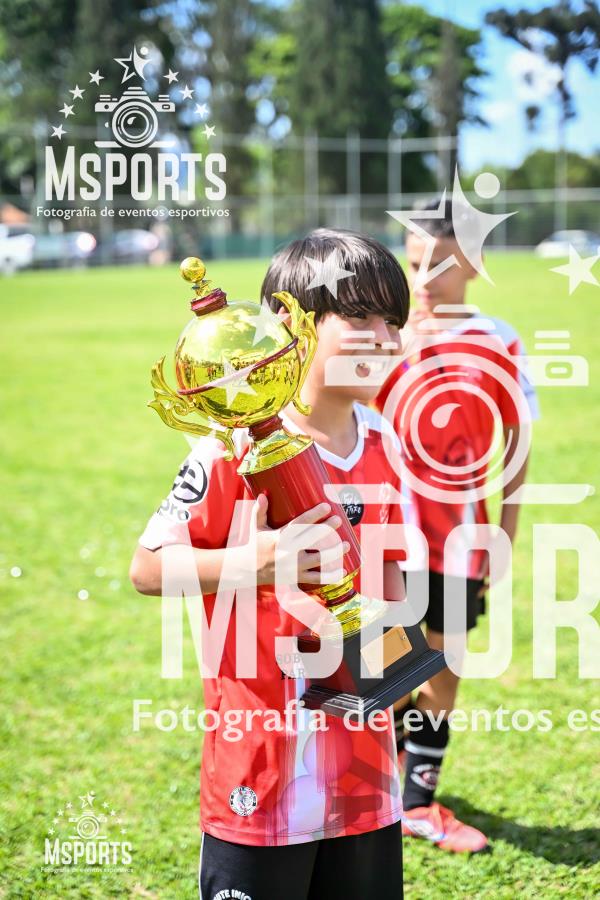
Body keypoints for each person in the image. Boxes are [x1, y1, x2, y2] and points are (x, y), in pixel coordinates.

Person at [130, 228, 415, 899]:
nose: (384, 338)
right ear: (294, 326)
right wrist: (253, 562)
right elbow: (147, 569)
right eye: (361, 317)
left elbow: (391, 585)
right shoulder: (232, 446)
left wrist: (396, 670)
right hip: (259, 777)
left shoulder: (386, 443)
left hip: (367, 779)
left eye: (394, 321)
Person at [375, 199, 539, 853]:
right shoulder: (383, 337)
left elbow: (517, 447)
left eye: (441, 264)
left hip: (461, 541)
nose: (424, 279)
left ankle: (417, 802)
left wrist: (507, 532)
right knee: (386, 670)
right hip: (388, 541)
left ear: (474, 263)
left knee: (443, 670)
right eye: (415, 263)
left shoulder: (500, 340)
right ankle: (375, 783)